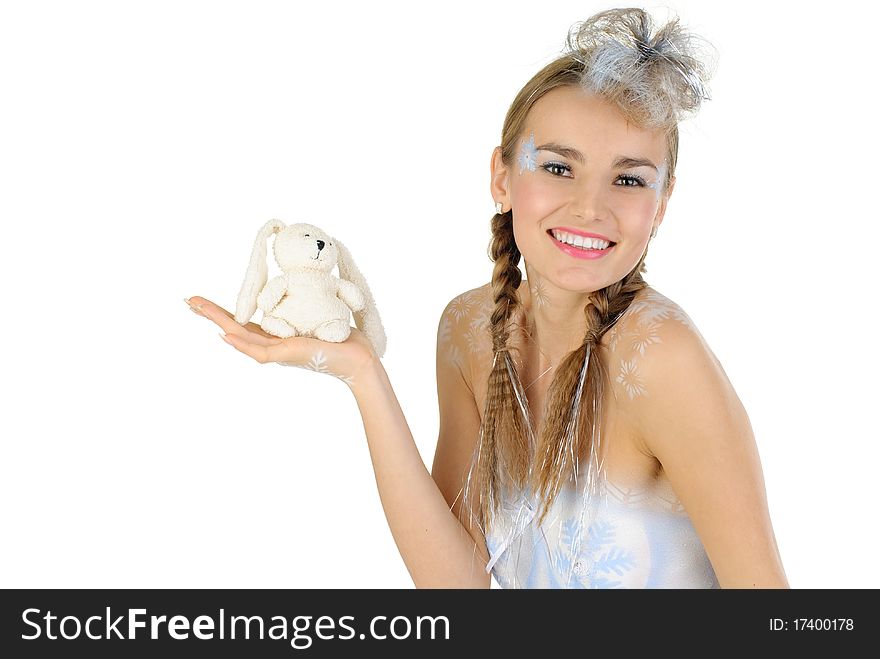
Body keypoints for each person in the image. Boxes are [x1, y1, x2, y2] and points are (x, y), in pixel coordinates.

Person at [185, 7, 788, 588]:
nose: (590, 206)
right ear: (503, 176)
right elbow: (457, 591)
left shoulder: (661, 357)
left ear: (660, 205)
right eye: (557, 167)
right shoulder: (470, 329)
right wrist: (364, 376)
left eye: (628, 179)